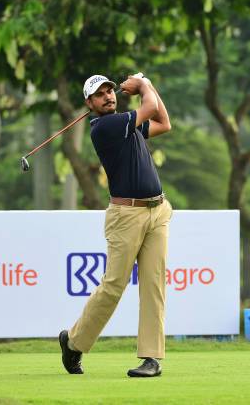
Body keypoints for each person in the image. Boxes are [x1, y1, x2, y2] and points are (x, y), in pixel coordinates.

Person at [59, 73, 172, 378]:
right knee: (113, 286)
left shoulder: (126, 123)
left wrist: (147, 85)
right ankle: (74, 343)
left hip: (157, 211)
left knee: (154, 285)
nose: (108, 96)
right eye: (100, 94)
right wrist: (144, 84)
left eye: (111, 91)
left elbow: (163, 122)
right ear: (90, 104)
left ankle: (151, 359)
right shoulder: (105, 126)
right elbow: (148, 108)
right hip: (126, 216)